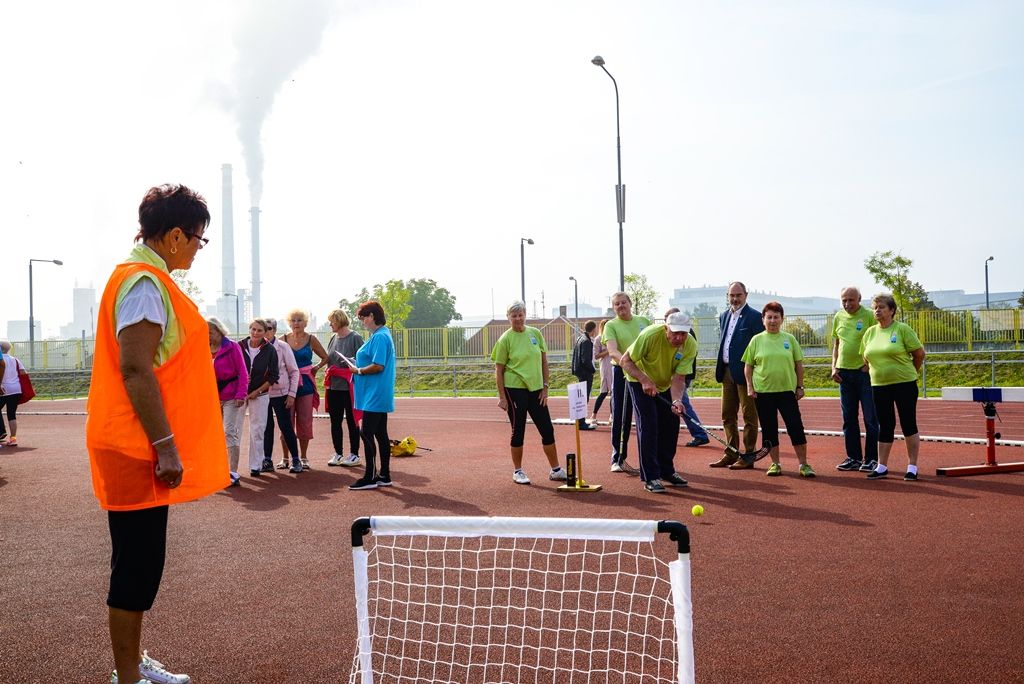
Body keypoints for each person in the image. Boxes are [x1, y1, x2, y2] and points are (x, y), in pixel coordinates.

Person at [86, 183, 227, 684]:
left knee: (141, 563)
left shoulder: (144, 277)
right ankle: (127, 676)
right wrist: (165, 446)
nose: (196, 249)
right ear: (172, 236)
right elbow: (136, 369)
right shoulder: (145, 283)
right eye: (196, 239)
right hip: (134, 445)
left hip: (133, 441)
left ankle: (132, 663)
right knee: (136, 568)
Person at [618, 312, 698, 493]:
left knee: (671, 425)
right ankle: (651, 477)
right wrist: (645, 380)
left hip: (665, 384)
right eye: (675, 332)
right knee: (649, 426)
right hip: (638, 381)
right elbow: (625, 361)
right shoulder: (650, 335)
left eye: (683, 333)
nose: (679, 338)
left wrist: (677, 399)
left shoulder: (690, 344)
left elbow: (679, 378)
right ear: (666, 328)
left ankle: (666, 471)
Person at [492, 300, 569, 485]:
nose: (518, 319)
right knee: (518, 430)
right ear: (508, 318)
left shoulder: (535, 334)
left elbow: (543, 362)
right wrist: (502, 397)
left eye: (520, 315)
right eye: (514, 316)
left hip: (536, 390)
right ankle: (518, 471)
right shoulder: (505, 339)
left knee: (547, 429)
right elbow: (498, 369)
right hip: (514, 389)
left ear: (525, 315)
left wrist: (545, 387)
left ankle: (556, 469)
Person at [742, 301, 814, 477]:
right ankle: (775, 464)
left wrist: (800, 386)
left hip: (786, 392)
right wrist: (750, 386)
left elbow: (798, 365)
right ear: (763, 319)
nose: (772, 321)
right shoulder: (756, 340)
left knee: (795, 427)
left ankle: (804, 464)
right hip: (764, 393)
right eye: (769, 317)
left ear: (782, 319)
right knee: (769, 430)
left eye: (776, 317)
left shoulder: (789, 339)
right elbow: (748, 366)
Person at [860, 293, 926, 481]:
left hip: (904, 384)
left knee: (908, 423)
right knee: (885, 425)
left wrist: (911, 372)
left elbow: (919, 353)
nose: (877, 310)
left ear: (892, 310)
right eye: (875, 307)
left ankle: (912, 467)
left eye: (881, 307)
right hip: (879, 386)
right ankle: (882, 466)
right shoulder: (870, 333)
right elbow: (865, 358)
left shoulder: (902, 329)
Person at [712, 281, 765, 469]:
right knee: (727, 414)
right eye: (731, 295)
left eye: (738, 295)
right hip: (726, 372)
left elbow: (761, 346)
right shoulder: (724, 315)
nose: (734, 299)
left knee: (749, 415)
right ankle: (731, 453)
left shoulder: (755, 317)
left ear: (746, 295)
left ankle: (749, 455)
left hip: (746, 374)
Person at [349, 301, 398, 490]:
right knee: (380, 433)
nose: (362, 322)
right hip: (376, 391)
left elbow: (378, 366)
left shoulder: (379, 337)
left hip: (375, 392)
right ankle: (384, 474)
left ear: (371, 316)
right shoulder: (381, 335)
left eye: (363, 318)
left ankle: (370, 475)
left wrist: (358, 370)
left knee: (366, 431)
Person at [831, 287, 880, 472]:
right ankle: (853, 458)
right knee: (849, 419)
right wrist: (834, 366)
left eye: (851, 300)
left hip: (864, 374)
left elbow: (877, 340)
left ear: (859, 299)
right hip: (844, 374)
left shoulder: (869, 315)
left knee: (870, 419)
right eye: (844, 300)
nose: (847, 304)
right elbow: (836, 344)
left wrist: (869, 364)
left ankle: (872, 459)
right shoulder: (839, 317)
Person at [602, 292, 651, 472]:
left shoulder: (644, 321)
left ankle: (650, 460)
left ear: (630, 304)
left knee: (646, 417)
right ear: (613, 307)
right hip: (622, 372)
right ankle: (618, 458)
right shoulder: (611, 326)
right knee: (621, 417)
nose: (621, 306)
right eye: (617, 304)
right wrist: (627, 364)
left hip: (645, 372)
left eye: (623, 303)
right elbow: (612, 351)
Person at [280, 309, 328, 468]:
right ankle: (286, 458)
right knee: (286, 422)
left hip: (306, 385)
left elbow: (326, 357)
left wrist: (316, 367)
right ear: (289, 322)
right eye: (293, 320)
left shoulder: (311, 339)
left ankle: (304, 457)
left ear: (305, 322)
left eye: (299, 320)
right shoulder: (283, 340)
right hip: (287, 386)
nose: (296, 323)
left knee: (305, 422)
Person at [318, 309, 364, 467]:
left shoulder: (355, 337)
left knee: (352, 422)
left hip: (350, 387)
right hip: (334, 387)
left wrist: (350, 363)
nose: (330, 324)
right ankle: (338, 453)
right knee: (335, 421)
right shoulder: (333, 338)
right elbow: (330, 358)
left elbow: (363, 359)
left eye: (332, 321)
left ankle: (354, 454)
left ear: (339, 321)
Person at [209, 317, 248, 487]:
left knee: (229, 431)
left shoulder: (232, 346)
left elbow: (243, 372)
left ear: (219, 331)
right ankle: (217, 470)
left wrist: (241, 394)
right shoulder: (203, 348)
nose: (208, 336)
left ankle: (232, 472)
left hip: (232, 396)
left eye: (210, 332)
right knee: (214, 434)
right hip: (212, 397)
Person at [261, 318, 303, 474]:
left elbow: (294, 371)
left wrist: (292, 394)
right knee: (266, 428)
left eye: (269, 328)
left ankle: (296, 459)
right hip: (263, 394)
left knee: (286, 427)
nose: (266, 331)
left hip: (281, 394)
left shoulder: (283, 347)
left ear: (275, 330)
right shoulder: (257, 347)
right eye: (263, 328)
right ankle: (266, 460)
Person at [664, 308, 710, 448]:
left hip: (682, 375)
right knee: (675, 403)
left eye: (668, 317)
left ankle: (700, 434)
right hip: (678, 374)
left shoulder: (687, 335)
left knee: (681, 404)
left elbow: (684, 356)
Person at [241, 319, 278, 477]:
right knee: (233, 430)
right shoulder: (239, 346)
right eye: (253, 329)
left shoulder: (270, 350)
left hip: (260, 394)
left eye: (259, 331)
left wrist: (258, 390)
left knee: (257, 429)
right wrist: (240, 382)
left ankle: (255, 465)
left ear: (265, 333)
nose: (255, 333)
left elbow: (273, 375)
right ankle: (230, 468)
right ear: (249, 329)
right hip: (239, 394)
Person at [570, 320, 598, 430]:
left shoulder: (580, 338)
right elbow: (585, 359)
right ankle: (581, 423)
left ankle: (580, 421)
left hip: (580, 371)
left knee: (581, 398)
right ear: (593, 329)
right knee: (583, 398)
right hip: (585, 372)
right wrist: (592, 370)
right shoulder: (586, 341)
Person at [0, 341, 27, 446]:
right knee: (12, 415)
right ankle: (13, 439)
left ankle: (2, 432)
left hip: (2, 389)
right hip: (16, 389)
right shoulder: (15, 360)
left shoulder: (1, 360)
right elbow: (23, 372)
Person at [589, 320, 612, 425]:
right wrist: (608, 351)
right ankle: (594, 414)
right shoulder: (598, 339)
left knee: (614, 393)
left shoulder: (612, 337)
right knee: (604, 392)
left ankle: (612, 415)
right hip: (605, 367)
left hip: (614, 366)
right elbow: (596, 356)